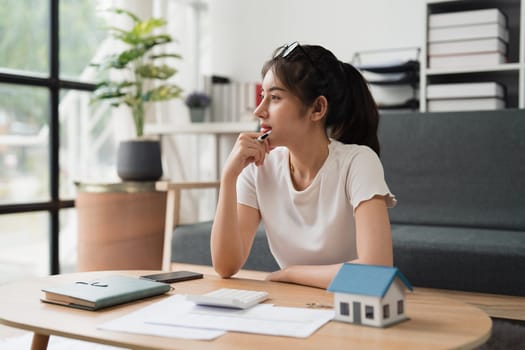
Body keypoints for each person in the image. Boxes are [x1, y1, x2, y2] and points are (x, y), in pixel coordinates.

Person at [210, 42, 396, 289]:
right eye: (262, 96)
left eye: (274, 97)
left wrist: (291, 273)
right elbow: (225, 266)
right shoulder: (258, 168)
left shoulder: (358, 162)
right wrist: (228, 176)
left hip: (349, 305)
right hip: (292, 308)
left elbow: (376, 271)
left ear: (317, 108)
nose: (259, 111)